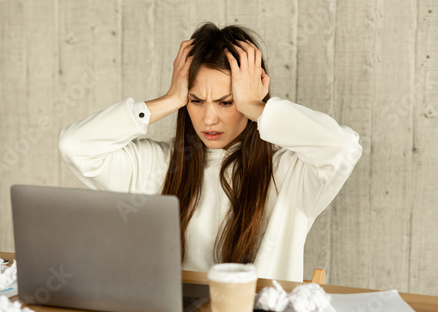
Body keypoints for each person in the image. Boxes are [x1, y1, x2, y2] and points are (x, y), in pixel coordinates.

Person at [58, 22, 362, 282]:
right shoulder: (155, 164)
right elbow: (75, 146)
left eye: (227, 102)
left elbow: (342, 147)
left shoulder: (290, 173)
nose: (208, 119)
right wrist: (170, 98)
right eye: (196, 100)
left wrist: (257, 106)